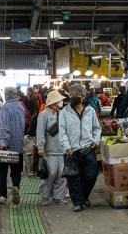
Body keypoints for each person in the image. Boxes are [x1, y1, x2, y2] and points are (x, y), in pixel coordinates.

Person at [60, 83, 102, 211]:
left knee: (91, 175)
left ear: (83, 96)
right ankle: (77, 202)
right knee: (73, 178)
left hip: (88, 148)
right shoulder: (64, 112)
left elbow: (96, 128)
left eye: (75, 95)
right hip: (71, 151)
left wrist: (96, 140)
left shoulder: (90, 111)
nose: (72, 97)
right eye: (70, 95)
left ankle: (84, 196)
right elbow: (62, 131)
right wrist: (65, 145)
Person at [0, 88, 28, 204]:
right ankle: (15, 186)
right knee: (16, 171)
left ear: (6, 95)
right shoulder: (21, 108)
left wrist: (3, 141)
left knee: (1, 172)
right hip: (18, 145)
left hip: (5, 146)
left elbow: (4, 127)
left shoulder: (4, 108)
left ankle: (3, 196)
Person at [35, 90, 69, 205]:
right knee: (50, 174)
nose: (60, 102)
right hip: (49, 150)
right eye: (59, 100)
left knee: (62, 175)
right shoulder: (44, 115)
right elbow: (40, 132)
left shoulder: (62, 114)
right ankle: (45, 196)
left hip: (62, 150)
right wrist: (40, 147)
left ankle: (57, 197)